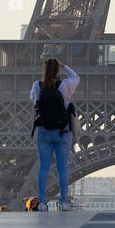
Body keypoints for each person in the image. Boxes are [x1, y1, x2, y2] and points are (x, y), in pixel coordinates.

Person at [30, 57, 79, 212]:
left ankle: (43, 203)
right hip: (62, 132)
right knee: (62, 168)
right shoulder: (65, 85)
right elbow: (76, 78)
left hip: (44, 131)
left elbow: (35, 102)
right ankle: (64, 203)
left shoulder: (37, 86)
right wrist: (64, 66)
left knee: (43, 168)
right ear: (58, 70)